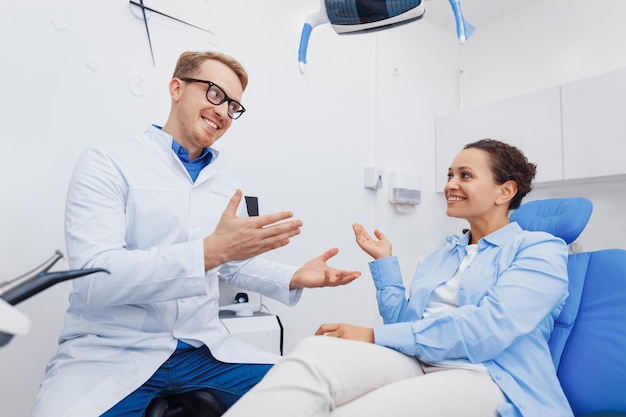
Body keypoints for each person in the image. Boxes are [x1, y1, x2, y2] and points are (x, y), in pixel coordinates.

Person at [30, 50, 361, 417]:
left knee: (314, 396)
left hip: (203, 352)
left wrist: (293, 275)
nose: (223, 111)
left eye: (233, 105)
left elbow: (230, 264)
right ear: (176, 88)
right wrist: (209, 253)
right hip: (111, 351)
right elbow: (95, 276)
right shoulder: (108, 163)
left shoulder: (225, 186)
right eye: (214, 93)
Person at [222, 139, 574, 417]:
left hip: (488, 376)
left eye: (465, 175)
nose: (450, 184)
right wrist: (385, 263)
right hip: (418, 362)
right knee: (315, 352)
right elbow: (404, 325)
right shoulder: (443, 254)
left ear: (505, 191)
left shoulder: (541, 250)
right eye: (450, 175)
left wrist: (373, 335)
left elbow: (488, 330)